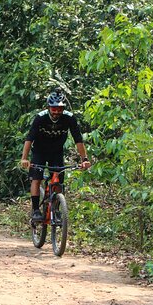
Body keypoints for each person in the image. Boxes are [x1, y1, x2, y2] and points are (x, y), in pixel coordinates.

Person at [20, 89, 91, 221]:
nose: (57, 112)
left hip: (56, 152)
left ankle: (57, 209)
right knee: (36, 179)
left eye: (59, 109)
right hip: (39, 151)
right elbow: (29, 138)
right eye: (54, 109)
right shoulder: (40, 117)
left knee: (58, 181)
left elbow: (78, 139)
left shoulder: (69, 118)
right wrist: (24, 158)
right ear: (48, 108)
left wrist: (85, 159)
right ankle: (35, 210)